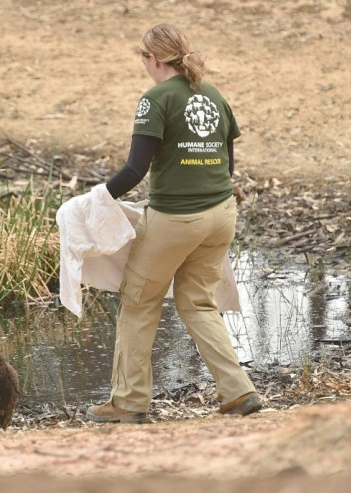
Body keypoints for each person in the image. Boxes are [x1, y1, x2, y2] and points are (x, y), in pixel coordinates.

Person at [86, 23, 261, 423]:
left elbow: (134, 169)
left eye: (143, 59)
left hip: (175, 219)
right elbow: (227, 164)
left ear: (154, 59)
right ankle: (238, 392)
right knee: (198, 302)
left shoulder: (154, 100)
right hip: (221, 215)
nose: (144, 66)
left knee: (137, 301)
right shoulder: (213, 95)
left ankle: (128, 403)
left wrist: (98, 199)